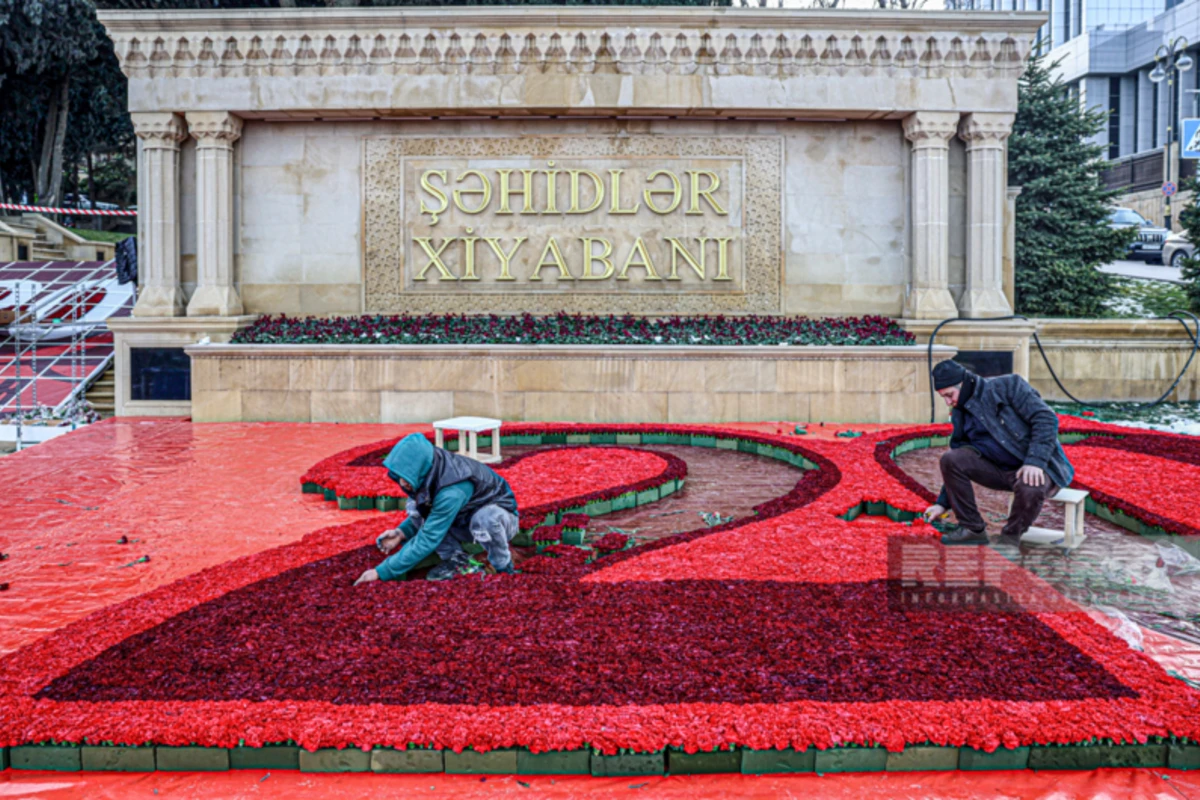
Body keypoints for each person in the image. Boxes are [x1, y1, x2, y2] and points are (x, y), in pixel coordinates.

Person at [922, 360, 1075, 545]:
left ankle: (1010, 538)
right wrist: (942, 503)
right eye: (943, 398)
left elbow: (1046, 419)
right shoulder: (960, 413)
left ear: (962, 384)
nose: (948, 402)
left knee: (1030, 486)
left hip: (1038, 466)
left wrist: (1035, 461)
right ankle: (972, 528)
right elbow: (957, 458)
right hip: (999, 470)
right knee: (951, 458)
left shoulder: (1008, 386)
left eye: (949, 395)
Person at [353, 432, 520, 584]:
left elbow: (429, 536)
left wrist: (381, 572)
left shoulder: (453, 489)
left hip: (499, 521)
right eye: (400, 476)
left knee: (485, 519)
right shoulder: (432, 467)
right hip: (462, 520)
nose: (402, 482)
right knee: (414, 505)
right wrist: (401, 532)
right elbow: (430, 512)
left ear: (419, 468)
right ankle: (457, 560)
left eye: (406, 475)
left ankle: (504, 568)